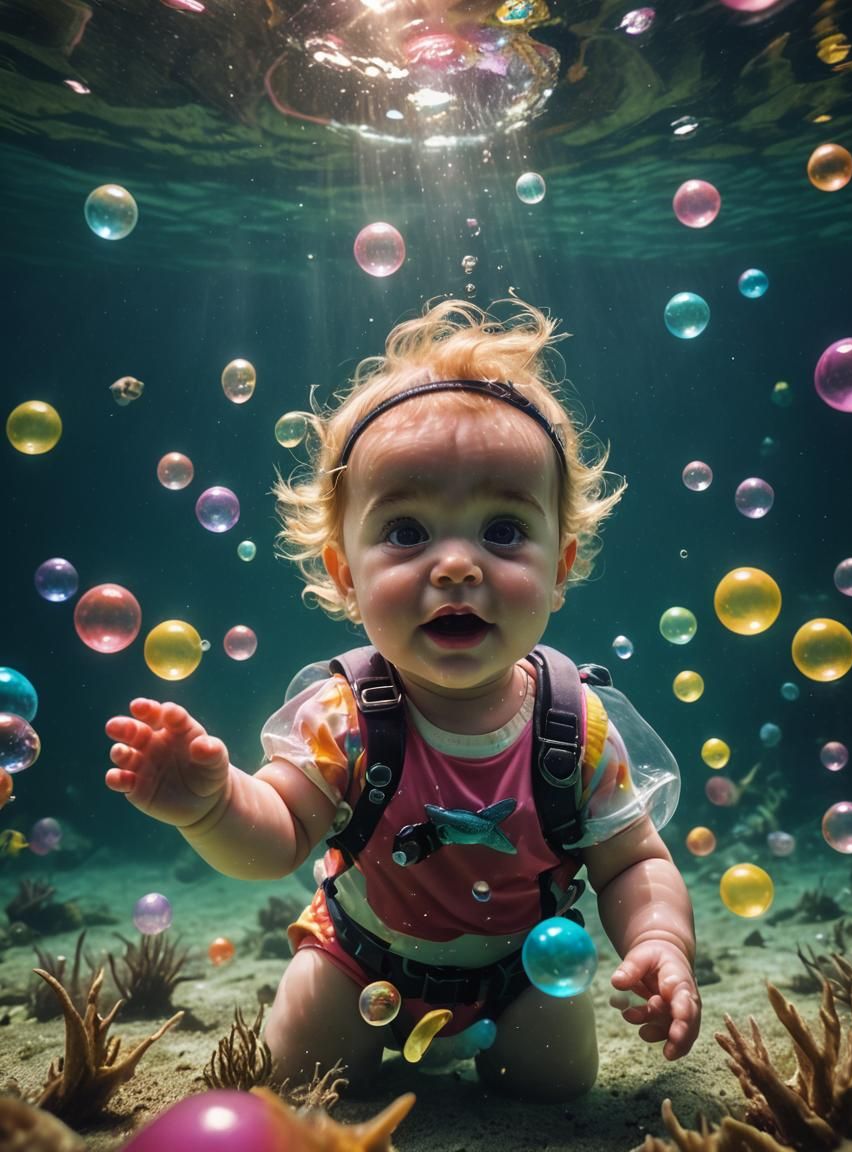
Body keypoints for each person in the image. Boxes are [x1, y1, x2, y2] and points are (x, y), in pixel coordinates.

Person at [105, 298, 701, 1103]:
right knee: (297, 1086)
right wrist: (212, 808)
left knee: (557, 1090)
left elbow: (632, 862)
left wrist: (661, 940)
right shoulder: (343, 719)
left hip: (525, 971)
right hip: (355, 962)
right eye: (407, 532)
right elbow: (279, 837)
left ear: (560, 567)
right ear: (345, 575)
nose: (456, 564)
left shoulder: (576, 727)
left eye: (502, 531)